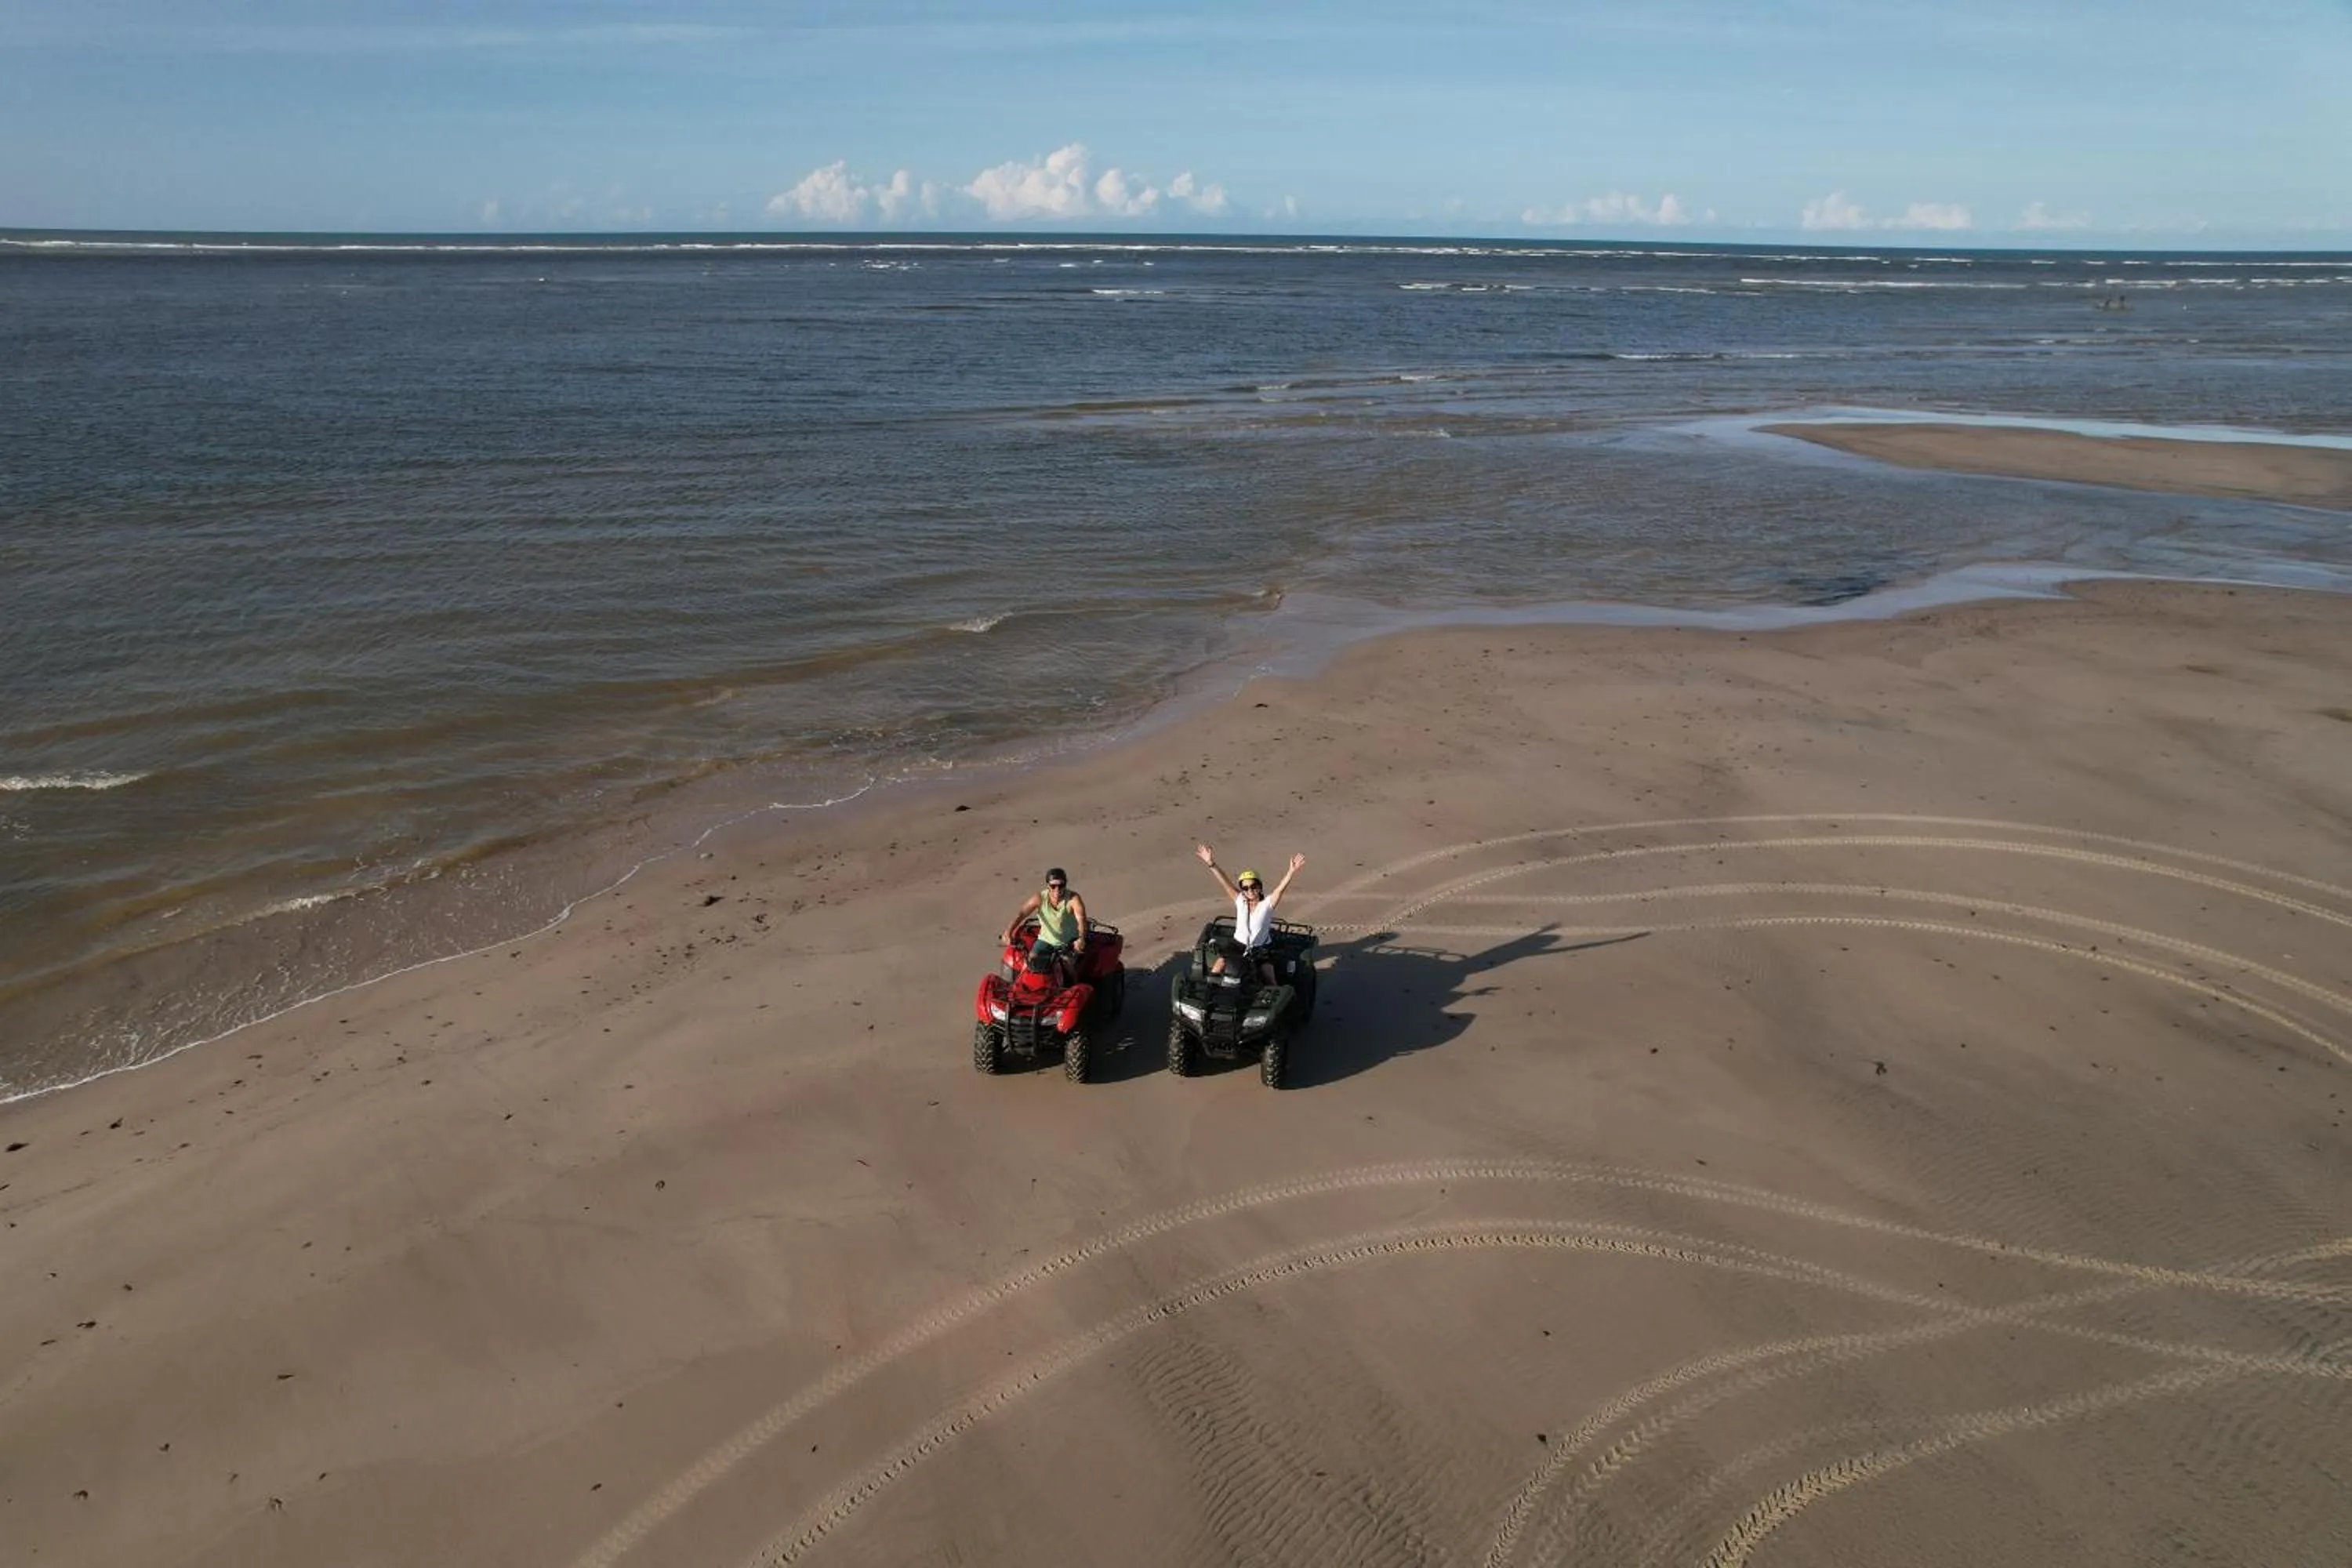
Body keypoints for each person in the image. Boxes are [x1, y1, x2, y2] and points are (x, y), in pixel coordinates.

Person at [1194, 844, 1305, 985]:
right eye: (1245, 888)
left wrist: (1291, 871)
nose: (1250, 890)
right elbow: (1225, 882)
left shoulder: (1267, 904)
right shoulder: (1240, 901)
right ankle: (1211, 995)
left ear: (1259, 887)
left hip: (1261, 948)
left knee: (1269, 975)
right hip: (1237, 945)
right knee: (1218, 966)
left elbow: (1280, 889)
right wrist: (1211, 864)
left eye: (1253, 886)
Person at [1004, 867, 1087, 982]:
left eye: (1061, 885)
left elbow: (1081, 919)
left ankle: (1075, 987)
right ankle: (1021, 989)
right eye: (1053, 886)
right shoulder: (1039, 898)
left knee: (1068, 965)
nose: (1057, 889)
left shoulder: (1073, 899)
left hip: (1068, 942)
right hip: (1045, 940)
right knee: (1030, 962)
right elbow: (1022, 914)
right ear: (1048, 885)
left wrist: (1081, 938)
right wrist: (1008, 932)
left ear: (1065, 884)